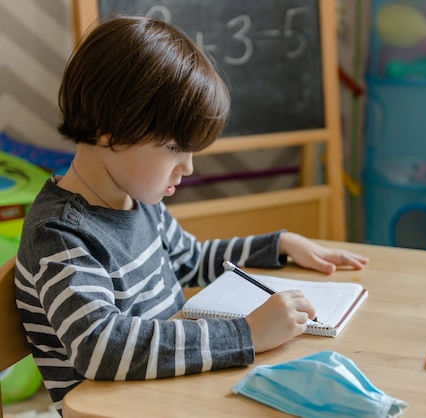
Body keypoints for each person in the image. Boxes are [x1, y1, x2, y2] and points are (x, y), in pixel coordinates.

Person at [14, 15, 368, 416]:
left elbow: (191, 260)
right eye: (174, 148)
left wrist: (279, 244)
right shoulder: (60, 235)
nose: (188, 167)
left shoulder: (136, 200)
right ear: (108, 130)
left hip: (168, 393)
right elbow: (103, 348)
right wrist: (246, 333)